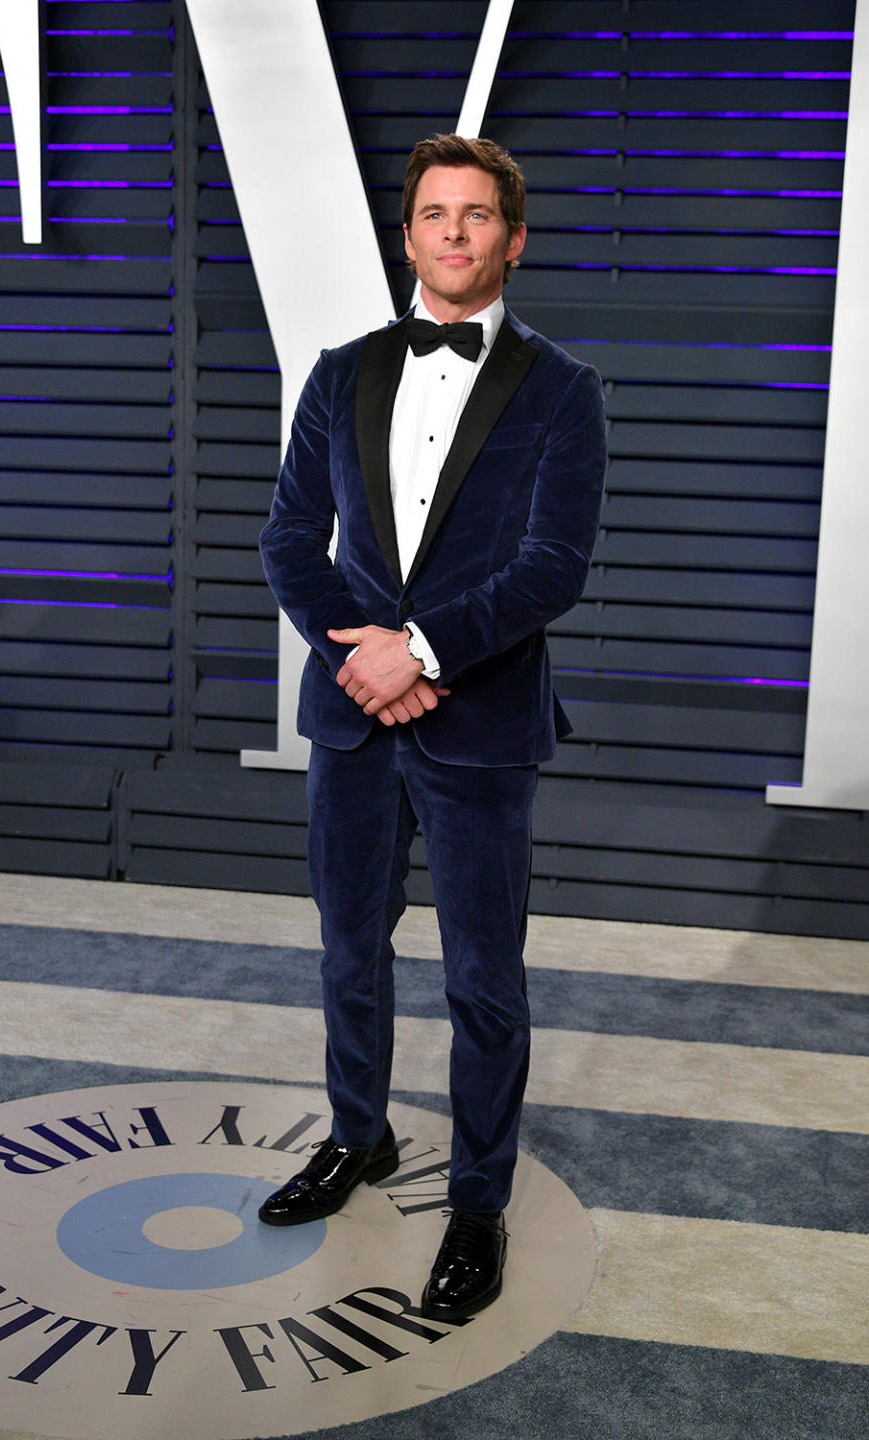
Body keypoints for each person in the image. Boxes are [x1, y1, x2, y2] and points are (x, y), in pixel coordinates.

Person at [256, 133, 607, 1321]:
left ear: (513, 238)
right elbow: (290, 539)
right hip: (355, 717)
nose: (454, 233)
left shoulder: (565, 389)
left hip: (480, 725)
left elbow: (552, 567)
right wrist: (368, 656)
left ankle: (477, 1201)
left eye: (477, 216)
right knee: (349, 950)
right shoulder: (341, 369)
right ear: (408, 237)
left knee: (481, 979)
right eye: (434, 215)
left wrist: (427, 654)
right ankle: (359, 1138)